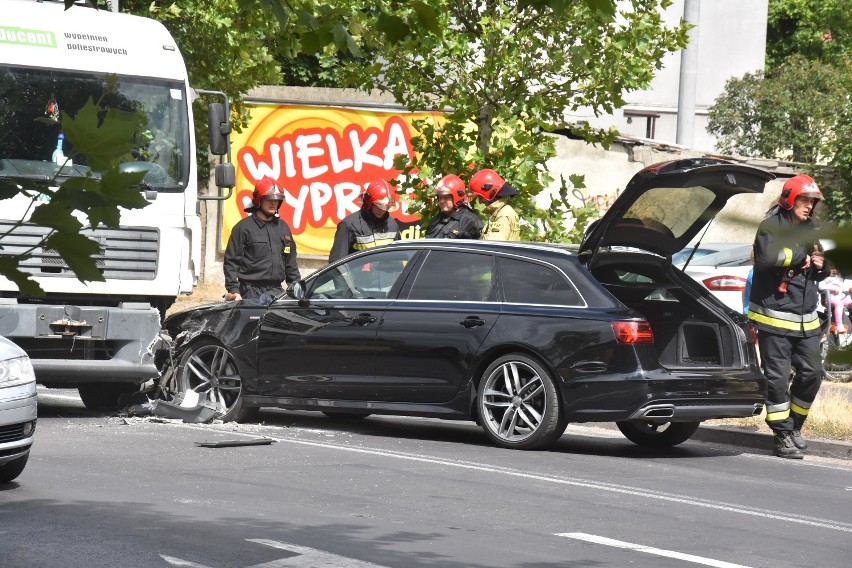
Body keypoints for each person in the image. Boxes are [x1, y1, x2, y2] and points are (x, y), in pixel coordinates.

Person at [747, 174, 829, 459]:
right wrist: (800, 258)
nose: (809, 206)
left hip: (806, 318)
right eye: (804, 200)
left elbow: (818, 267)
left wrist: (820, 264)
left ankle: (795, 427)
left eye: (812, 202)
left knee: (812, 374)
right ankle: (781, 434)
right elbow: (769, 258)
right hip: (774, 317)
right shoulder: (770, 226)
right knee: (777, 379)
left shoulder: (808, 229)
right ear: (789, 199)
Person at [223, 176, 300, 302]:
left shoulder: (283, 227)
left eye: (277, 199)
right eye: (269, 199)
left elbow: (291, 263)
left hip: (276, 292)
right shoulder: (243, 228)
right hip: (250, 293)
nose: (273, 203)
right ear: (259, 200)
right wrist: (233, 290)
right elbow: (231, 262)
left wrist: (296, 287)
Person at [329, 178, 400, 263]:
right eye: (379, 206)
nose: (382, 211)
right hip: (359, 276)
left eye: (386, 207)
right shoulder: (349, 225)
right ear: (369, 202)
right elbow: (337, 262)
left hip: (388, 276)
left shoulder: (392, 225)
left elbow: (398, 258)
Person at [424, 174, 483, 239]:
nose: (442, 201)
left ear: (457, 197)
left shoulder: (471, 221)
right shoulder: (437, 220)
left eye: (446, 197)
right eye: (440, 198)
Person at [469, 168, 520, 241]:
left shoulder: (503, 215)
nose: (480, 202)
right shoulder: (499, 212)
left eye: (480, 197)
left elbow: (494, 248)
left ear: (491, 194)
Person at [819, 264, 852, 333]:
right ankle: (839, 325)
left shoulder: (838, 278)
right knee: (839, 304)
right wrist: (832, 288)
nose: (834, 271)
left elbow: (842, 287)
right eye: (832, 269)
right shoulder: (825, 277)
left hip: (840, 297)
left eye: (836, 269)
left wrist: (849, 289)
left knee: (849, 302)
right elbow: (820, 287)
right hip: (829, 298)